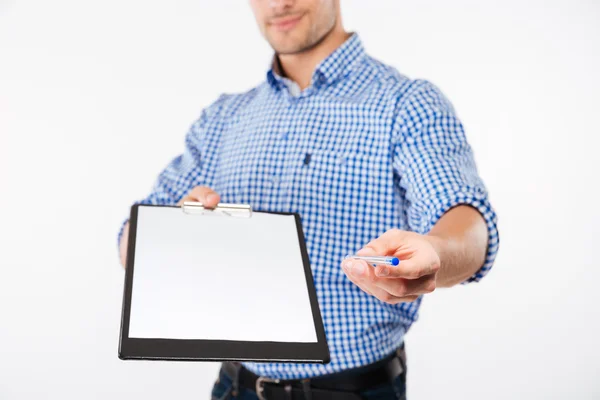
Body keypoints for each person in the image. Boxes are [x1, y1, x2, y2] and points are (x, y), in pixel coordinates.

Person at [117, 0, 499, 398]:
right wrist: (172, 235)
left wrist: (436, 250)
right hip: (235, 386)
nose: (279, 3)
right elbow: (131, 243)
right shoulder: (223, 117)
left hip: (352, 390)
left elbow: (464, 217)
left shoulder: (406, 103)